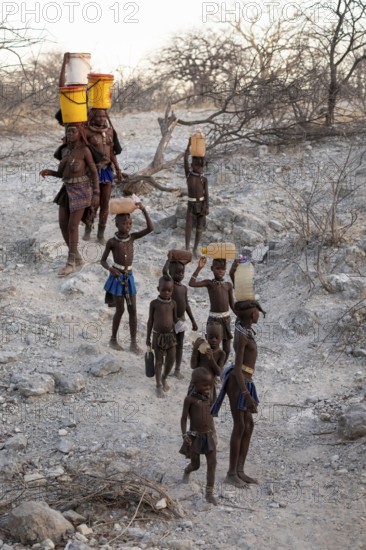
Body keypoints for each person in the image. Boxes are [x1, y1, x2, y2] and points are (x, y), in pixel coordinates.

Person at [211, 300, 265, 488]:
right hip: (239, 383)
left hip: (245, 381)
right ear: (252, 316)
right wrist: (246, 394)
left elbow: (235, 306)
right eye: (257, 312)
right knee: (240, 425)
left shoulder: (243, 328)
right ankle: (231, 473)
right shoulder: (242, 336)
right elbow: (240, 368)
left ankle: (240, 470)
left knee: (248, 424)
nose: (259, 314)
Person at [40, 124, 99, 277]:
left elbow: (93, 171)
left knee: (73, 226)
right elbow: (61, 173)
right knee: (62, 224)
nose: (70, 133)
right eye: (68, 131)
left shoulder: (85, 151)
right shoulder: (64, 150)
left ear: (80, 134)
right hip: (66, 190)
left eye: (74, 131)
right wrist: (50, 172)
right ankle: (77, 256)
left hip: (82, 190)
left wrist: (96, 192)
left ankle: (70, 262)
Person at [100, 206, 154, 353]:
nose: (128, 226)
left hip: (129, 277)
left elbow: (150, 228)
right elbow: (103, 261)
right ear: (117, 224)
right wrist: (111, 270)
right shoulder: (112, 242)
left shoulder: (133, 237)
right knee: (120, 310)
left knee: (133, 310)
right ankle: (113, 339)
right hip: (117, 278)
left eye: (130, 223)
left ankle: (133, 343)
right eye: (124, 223)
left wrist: (144, 210)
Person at [84, 108, 123, 243]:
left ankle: (100, 234)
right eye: (98, 116)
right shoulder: (87, 131)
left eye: (103, 116)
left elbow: (111, 152)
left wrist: (117, 169)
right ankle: (88, 230)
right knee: (93, 203)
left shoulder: (110, 131)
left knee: (105, 203)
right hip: (92, 171)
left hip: (107, 170)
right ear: (93, 117)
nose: (101, 118)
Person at [180, 367, 217, 505]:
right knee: (196, 465)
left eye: (210, 385)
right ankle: (187, 470)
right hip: (195, 437)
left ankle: (209, 493)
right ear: (195, 384)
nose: (208, 387)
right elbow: (183, 418)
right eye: (204, 385)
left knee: (212, 463)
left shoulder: (209, 398)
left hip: (208, 436)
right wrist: (184, 434)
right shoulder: (189, 400)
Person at [189, 256, 235, 363]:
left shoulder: (228, 285)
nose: (220, 271)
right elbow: (191, 283)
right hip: (214, 320)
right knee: (213, 348)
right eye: (218, 268)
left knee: (227, 349)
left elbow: (232, 305)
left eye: (223, 269)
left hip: (226, 319)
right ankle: (211, 369)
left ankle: (219, 369)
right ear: (212, 269)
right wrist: (199, 268)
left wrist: (241, 316)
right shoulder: (209, 283)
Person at [162, 253, 198, 379]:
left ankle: (177, 368)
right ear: (171, 273)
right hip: (169, 318)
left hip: (181, 318)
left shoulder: (184, 288)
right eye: (177, 273)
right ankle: (167, 367)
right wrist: (169, 260)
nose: (180, 275)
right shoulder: (170, 284)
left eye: (182, 273)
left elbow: (187, 305)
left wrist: (193, 320)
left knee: (180, 343)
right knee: (169, 344)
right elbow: (164, 271)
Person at [146, 275, 178, 398]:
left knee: (171, 359)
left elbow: (175, 320)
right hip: (157, 336)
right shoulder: (154, 304)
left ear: (172, 290)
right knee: (159, 361)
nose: (166, 292)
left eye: (169, 290)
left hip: (170, 335)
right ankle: (158, 385)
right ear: (158, 288)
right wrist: (147, 338)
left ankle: (164, 378)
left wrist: (181, 326)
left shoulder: (173, 304)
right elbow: (150, 321)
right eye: (163, 290)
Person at [184, 138, 209, 257]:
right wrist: (188, 146)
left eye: (200, 166)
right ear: (192, 165)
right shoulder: (188, 175)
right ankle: (187, 247)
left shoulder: (204, 179)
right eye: (196, 165)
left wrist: (207, 207)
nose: (198, 168)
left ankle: (195, 248)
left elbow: (207, 194)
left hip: (202, 204)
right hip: (191, 204)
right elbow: (185, 159)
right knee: (188, 225)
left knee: (199, 227)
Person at [189, 322, 225, 402]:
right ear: (206, 336)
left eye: (217, 337)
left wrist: (211, 359)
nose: (214, 340)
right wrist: (195, 350)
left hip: (209, 386)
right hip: (196, 383)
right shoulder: (201, 350)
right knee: (194, 407)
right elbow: (193, 366)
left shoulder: (221, 354)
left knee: (207, 409)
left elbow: (219, 372)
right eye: (211, 337)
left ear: (221, 338)